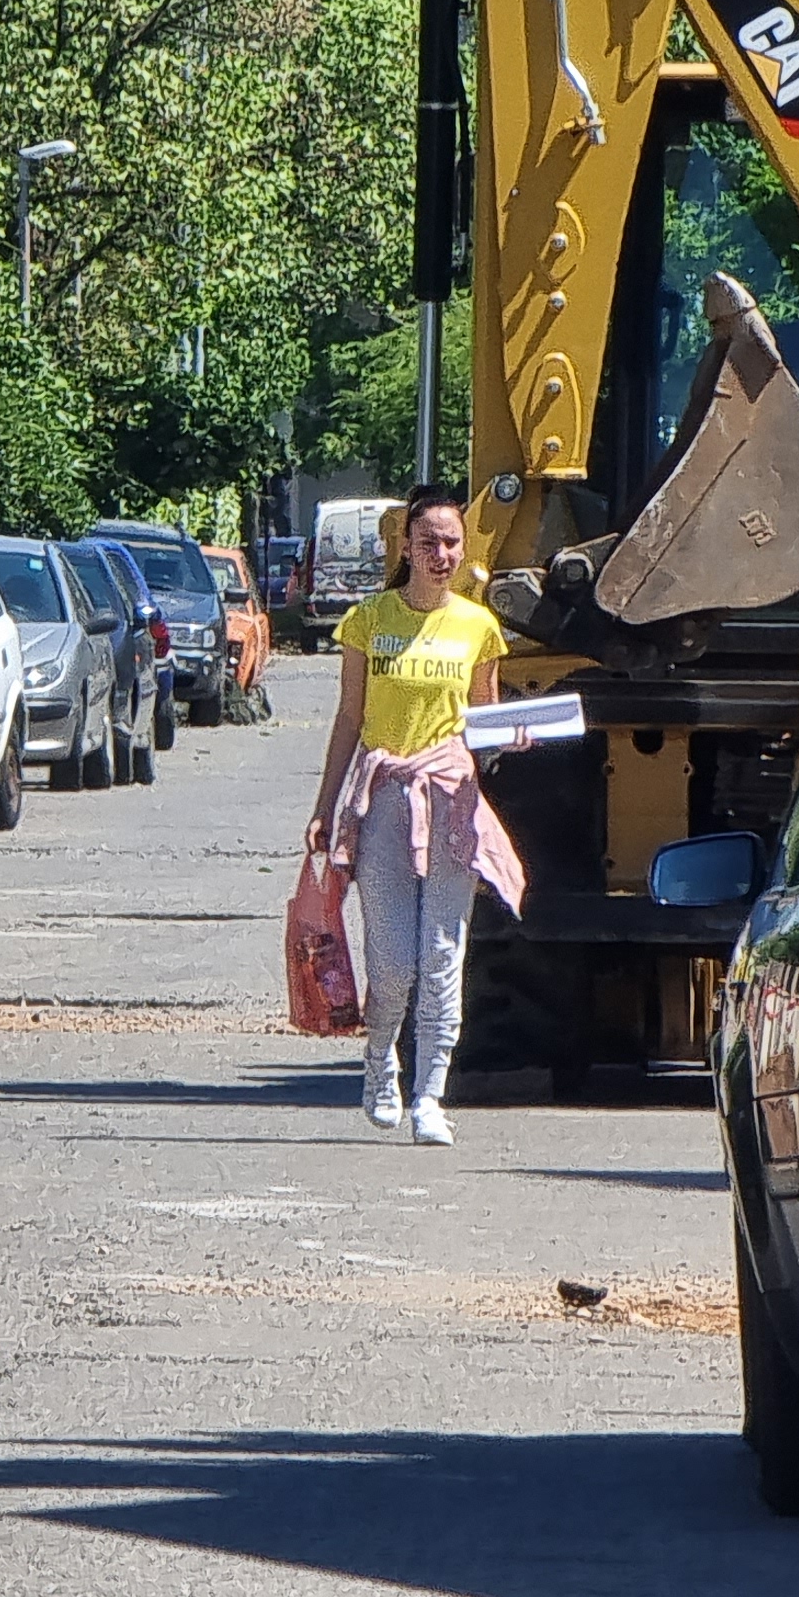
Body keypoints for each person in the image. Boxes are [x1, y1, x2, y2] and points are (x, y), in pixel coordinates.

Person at [315, 485, 522, 1146]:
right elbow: (350, 717)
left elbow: (482, 725)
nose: (441, 554)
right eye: (428, 541)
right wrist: (325, 808)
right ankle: (380, 1066)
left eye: (451, 542)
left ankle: (431, 1093)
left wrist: (515, 735)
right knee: (394, 959)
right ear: (404, 546)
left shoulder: (477, 627)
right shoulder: (369, 620)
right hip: (384, 801)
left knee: (441, 954)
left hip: (452, 801)